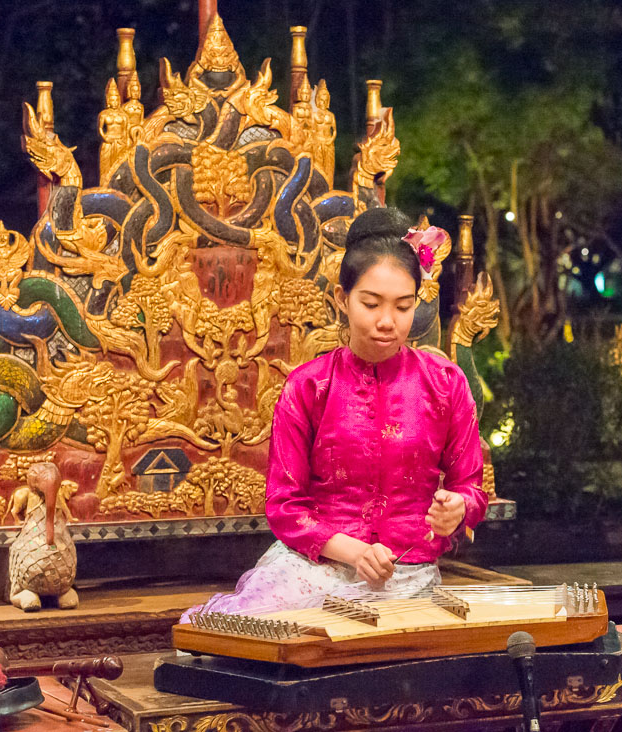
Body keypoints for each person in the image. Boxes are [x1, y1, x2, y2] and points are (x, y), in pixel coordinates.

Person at [181, 207, 488, 621]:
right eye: (371, 303)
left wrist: (457, 509)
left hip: (405, 573)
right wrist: (354, 551)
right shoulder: (308, 387)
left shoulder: (446, 384)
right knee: (234, 632)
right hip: (314, 566)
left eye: (402, 306)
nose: (387, 321)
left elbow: (471, 488)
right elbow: (284, 505)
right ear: (343, 299)